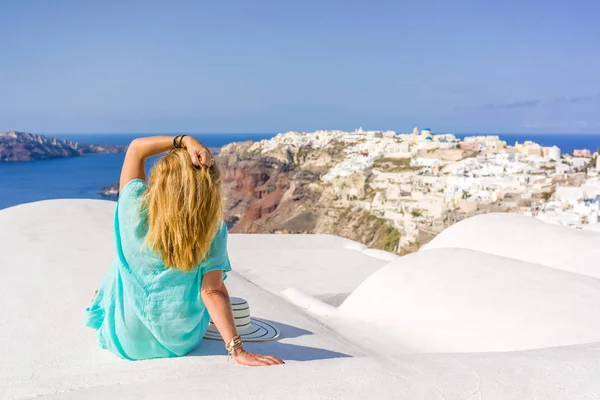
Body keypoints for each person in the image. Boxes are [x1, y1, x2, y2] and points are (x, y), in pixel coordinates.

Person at [85, 135, 283, 367]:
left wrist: (184, 140)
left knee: (121, 265)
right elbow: (212, 292)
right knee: (208, 280)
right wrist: (237, 349)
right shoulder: (212, 229)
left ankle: (107, 299)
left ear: (161, 180)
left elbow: (136, 149)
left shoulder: (132, 209)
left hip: (127, 341)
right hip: (179, 342)